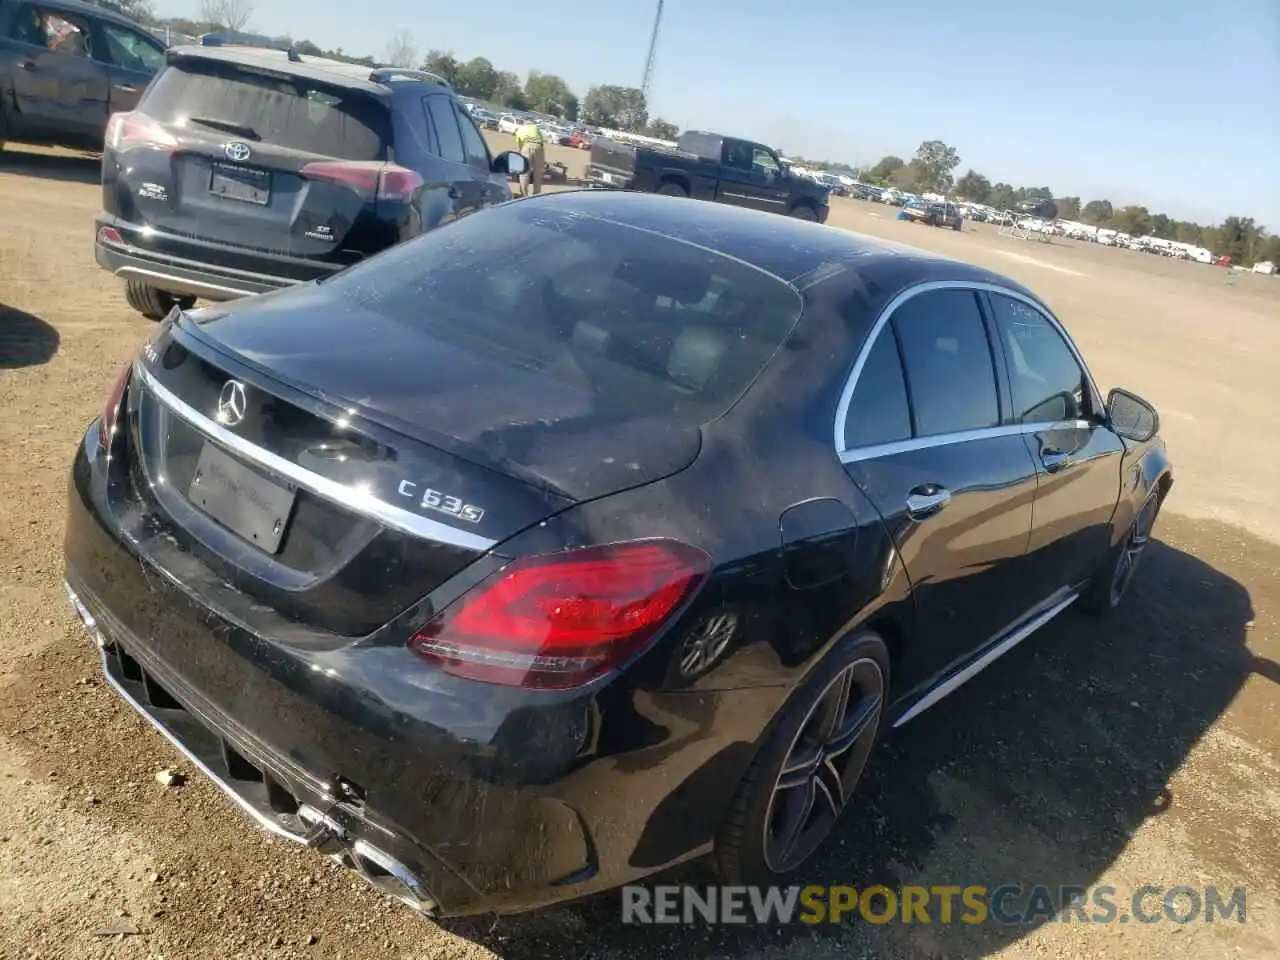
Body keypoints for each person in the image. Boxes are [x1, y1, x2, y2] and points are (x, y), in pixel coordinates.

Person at [514, 119, 546, 197]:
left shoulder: (521, 129)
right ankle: (537, 194)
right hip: (538, 148)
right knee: (538, 173)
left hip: (526, 147)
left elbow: (519, 144)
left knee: (524, 173)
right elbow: (542, 141)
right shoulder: (536, 128)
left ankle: (524, 195)